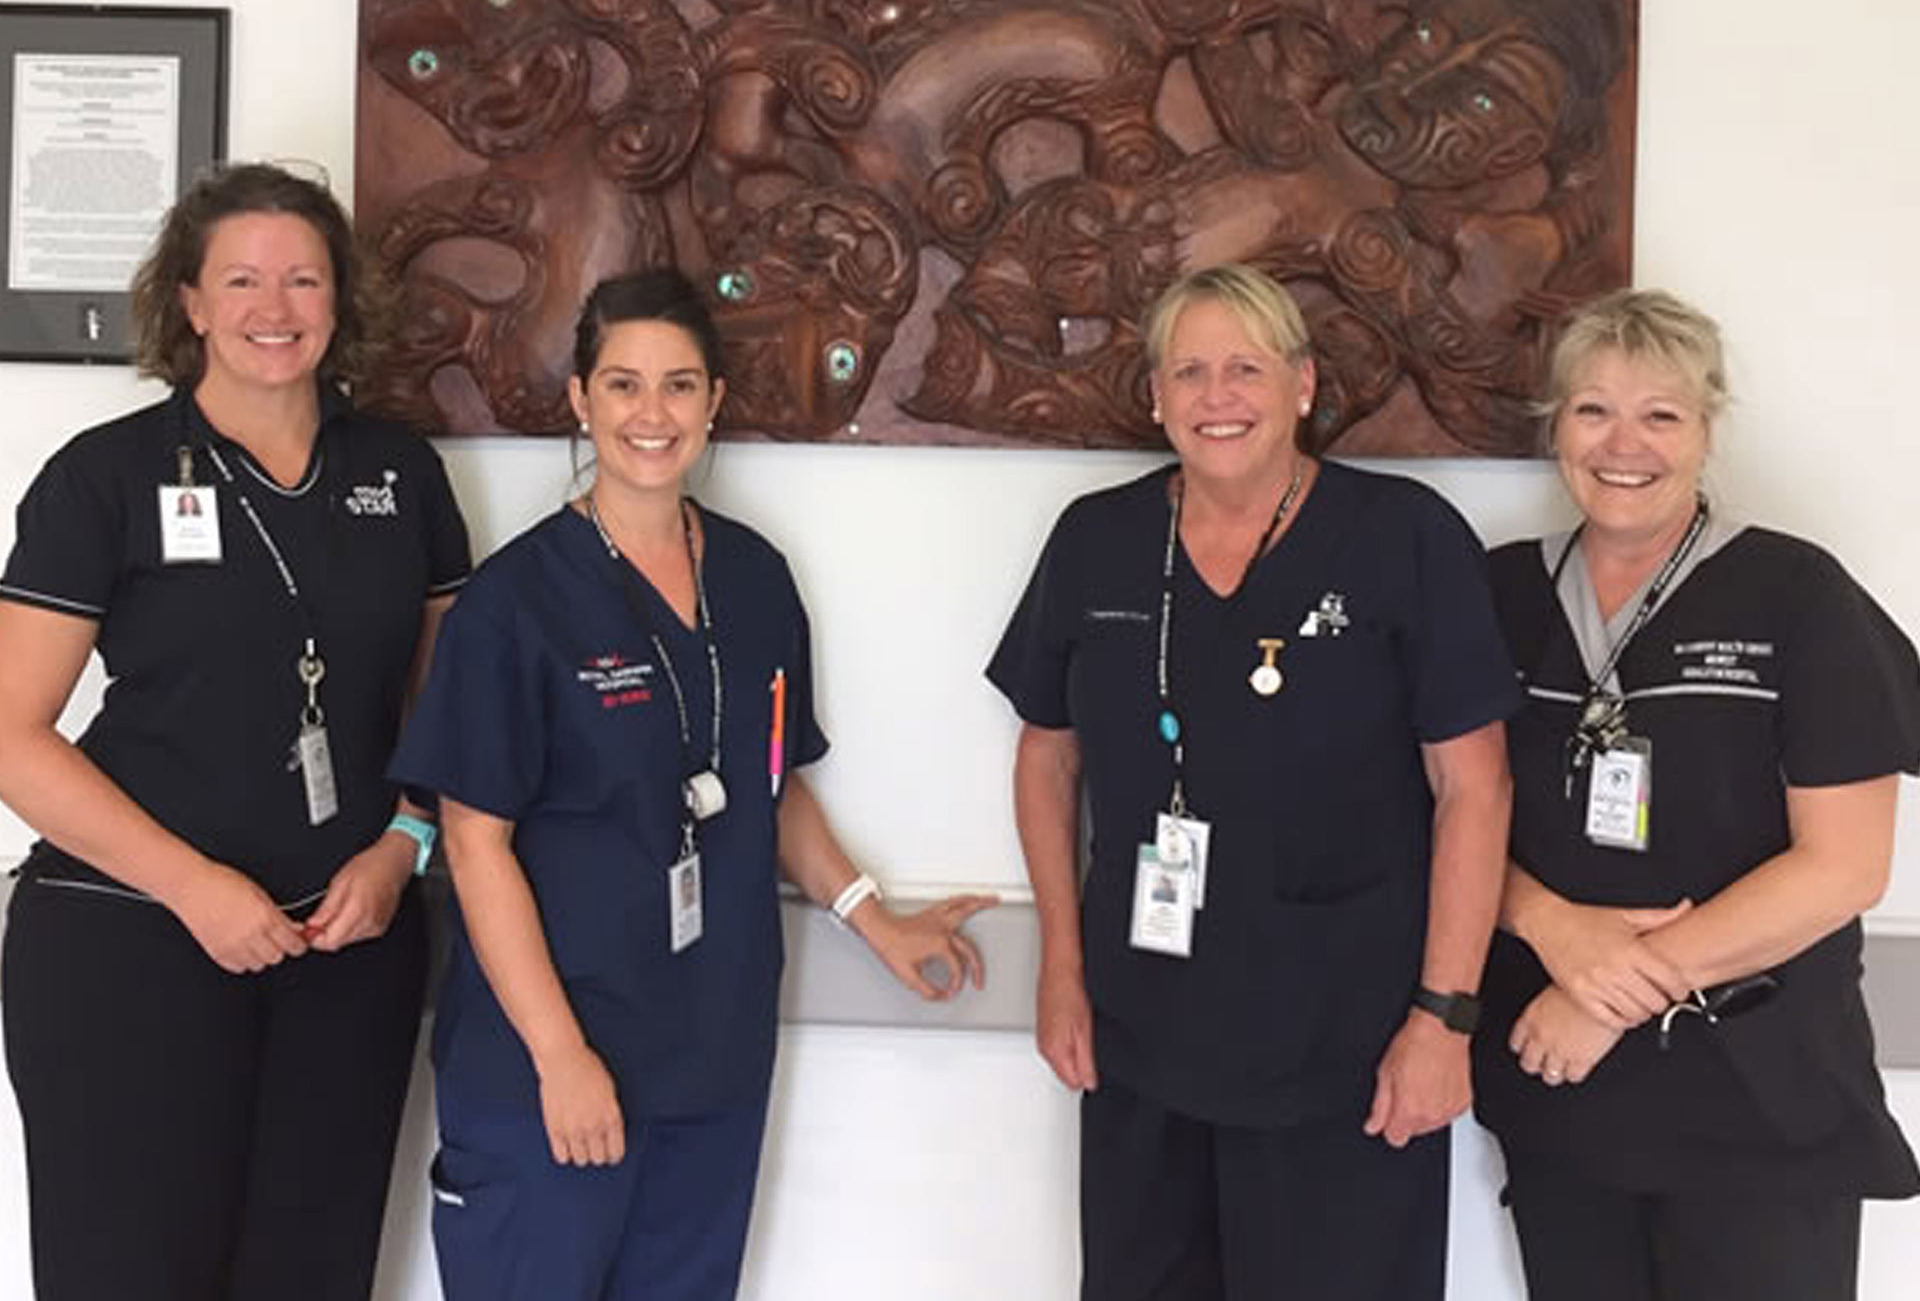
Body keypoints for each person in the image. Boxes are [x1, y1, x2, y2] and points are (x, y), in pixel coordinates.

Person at [390, 267, 996, 1301]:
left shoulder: (755, 580)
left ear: (715, 402)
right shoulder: (515, 605)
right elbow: (475, 840)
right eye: (622, 385)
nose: (651, 414)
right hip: (554, 1062)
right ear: (580, 400)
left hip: (710, 1053)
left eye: (678, 385)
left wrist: (874, 921)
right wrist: (560, 1056)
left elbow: (770, 785)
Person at [988, 263, 1519, 1301]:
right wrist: (1060, 963)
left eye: (1245, 368)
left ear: (1304, 385)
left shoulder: (1402, 538)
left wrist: (1443, 1021)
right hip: (1145, 1034)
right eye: (1189, 371)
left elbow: (1476, 792)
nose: (1216, 396)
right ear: (1154, 397)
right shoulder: (1097, 543)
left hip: (1349, 1051)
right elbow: (1046, 755)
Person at [0, 162, 471, 1300]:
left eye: (305, 279)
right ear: (191, 304)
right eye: (244, 280)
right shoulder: (104, 480)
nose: (277, 308)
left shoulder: (400, 475)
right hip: (129, 949)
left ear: (341, 301)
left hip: (343, 953)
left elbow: (454, 715)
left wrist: (403, 844)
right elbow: (12, 734)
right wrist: (191, 886)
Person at [1474, 288, 1920, 1300]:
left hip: (1757, 1094)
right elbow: (1443, 817)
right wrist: (1553, 930)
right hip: (1563, 1084)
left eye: (1660, 414)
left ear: (1706, 430)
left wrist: (1619, 988)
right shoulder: (1496, 597)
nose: (1622, 443)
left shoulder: (1797, 595)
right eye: (1592, 409)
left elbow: (1846, 866)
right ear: (1557, 428)